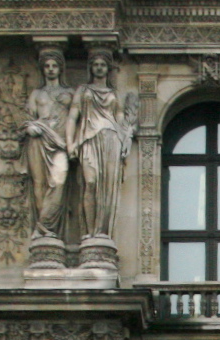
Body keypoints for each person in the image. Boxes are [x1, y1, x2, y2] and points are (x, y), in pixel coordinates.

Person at [66, 48, 136, 241]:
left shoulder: (113, 93)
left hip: (111, 140)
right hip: (88, 139)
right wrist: (70, 143)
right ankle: (89, 231)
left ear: (108, 69)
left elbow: (121, 118)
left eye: (102, 65)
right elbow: (72, 117)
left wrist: (125, 138)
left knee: (107, 188)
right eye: (95, 65)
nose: (99, 68)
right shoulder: (83, 90)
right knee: (90, 182)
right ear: (91, 68)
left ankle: (102, 232)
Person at [22, 47, 72, 240]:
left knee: (58, 181)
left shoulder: (70, 92)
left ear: (61, 69)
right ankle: (44, 232)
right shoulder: (37, 94)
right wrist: (31, 128)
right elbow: (28, 118)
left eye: (54, 66)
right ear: (43, 70)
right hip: (39, 140)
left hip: (60, 144)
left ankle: (47, 225)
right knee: (39, 184)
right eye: (47, 66)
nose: (50, 69)